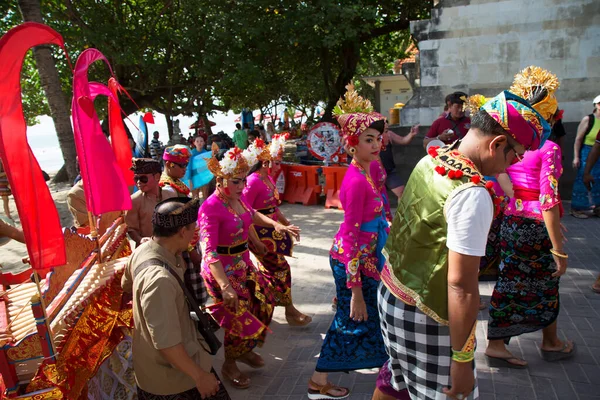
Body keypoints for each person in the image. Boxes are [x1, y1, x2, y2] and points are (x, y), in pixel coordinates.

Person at [376, 90, 549, 400]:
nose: (515, 163)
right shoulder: (472, 193)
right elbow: (461, 287)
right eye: (516, 154)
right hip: (427, 316)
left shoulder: (434, 157)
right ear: (496, 144)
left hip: (391, 296)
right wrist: (463, 360)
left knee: (396, 384)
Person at [486, 66, 574, 367]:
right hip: (536, 228)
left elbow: (502, 179)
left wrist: (520, 203)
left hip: (512, 222)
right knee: (548, 282)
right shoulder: (548, 148)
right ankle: (551, 342)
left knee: (509, 281)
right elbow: (548, 201)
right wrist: (558, 248)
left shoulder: (512, 146)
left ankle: (497, 343)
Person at [307, 84, 389, 400]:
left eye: (378, 138)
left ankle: (388, 372)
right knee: (350, 318)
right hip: (352, 260)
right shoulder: (354, 181)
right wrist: (354, 290)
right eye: (369, 139)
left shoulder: (372, 170)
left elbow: (382, 209)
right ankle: (318, 379)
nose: (376, 143)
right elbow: (353, 236)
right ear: (352, 144)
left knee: (372, 316)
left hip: (369, 256)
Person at [199, 145, 300, 389]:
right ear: (220, 180)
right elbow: (209, 251)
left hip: (242, 264)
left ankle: (244, 350)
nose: (242, 186)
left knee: (264, 304)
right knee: (239, 315)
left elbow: (252, 215)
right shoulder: (210, 208)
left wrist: (276, 227)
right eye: (236, 181)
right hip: (222, 272)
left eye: (243, 180)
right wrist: (224, 286)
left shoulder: (238, 197)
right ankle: (229, 363)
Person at [121, 197, 230, 400]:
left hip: (183, 363)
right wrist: (199, 377)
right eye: (192, 229)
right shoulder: (159, 281)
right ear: (182, 232)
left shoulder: (143, 250)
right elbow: (166, 344)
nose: (194, 233)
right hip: (176, 380)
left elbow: (125, 286)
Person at [242, 134, 311, 326]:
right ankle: (288, 310)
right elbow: (246, 212)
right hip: (258, 232)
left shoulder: (268, 179)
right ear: (265, 162)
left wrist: (286, 224)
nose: (279, 165)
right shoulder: (253, 181)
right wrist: (256, 239)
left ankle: (264, 304)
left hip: (271, 232)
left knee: (275, 269)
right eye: (277, 162)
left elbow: (274, 207)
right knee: (280, 268)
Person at [125, 158, 177, 246]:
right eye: (136, 178)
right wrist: (140, 239)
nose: (139, 182)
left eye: (143, 178)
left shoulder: (171, 194)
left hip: (172, 248)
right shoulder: (134, 200)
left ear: (157, 177)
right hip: (148, 251)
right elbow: (131, 229)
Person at [573, 95, 600, 218]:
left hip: (598, 153)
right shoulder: (588, 119)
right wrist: (576, 157)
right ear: (596, 105)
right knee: (583, 178)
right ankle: (578, 208)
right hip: (587, 151)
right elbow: (578, 139)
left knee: (598, 180)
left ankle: (597, 207)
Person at [380, 125, 419, 200]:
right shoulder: (371, 137)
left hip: (389, 171)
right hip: (375, 172)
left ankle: (401, 211)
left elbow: (403, 140)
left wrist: (411, 134)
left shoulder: (389, 134)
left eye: (386, 130)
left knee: (402, 193)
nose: (386, 131)